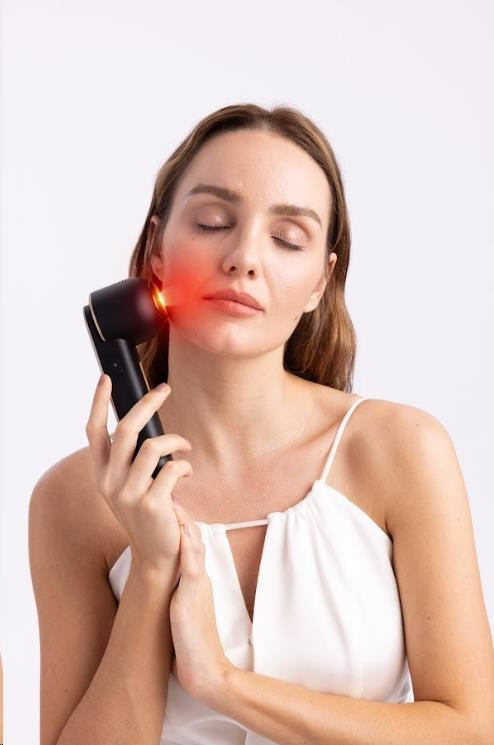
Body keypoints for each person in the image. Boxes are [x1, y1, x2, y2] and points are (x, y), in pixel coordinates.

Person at [29, 103, 494, 745]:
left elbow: (471, 729)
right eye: (213, 222)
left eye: (288, 238)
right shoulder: (73, 500)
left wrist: (223, 683)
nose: (244, 257)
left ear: (320, 282)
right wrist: (153, 570)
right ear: (157, 251)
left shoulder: (402, 450)